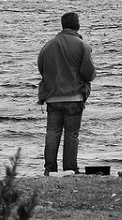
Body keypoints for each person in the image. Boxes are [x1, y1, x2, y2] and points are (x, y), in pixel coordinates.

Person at [37, 12, 97, 176]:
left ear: (62, 25)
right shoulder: (82, 45)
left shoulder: (48, 45)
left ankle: (49, 169)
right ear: (77, 26)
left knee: (52, 133)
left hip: (52, 97)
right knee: (71, 134)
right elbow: (89, 72)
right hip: (74, 97)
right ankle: (70, 169)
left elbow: (41, 68)